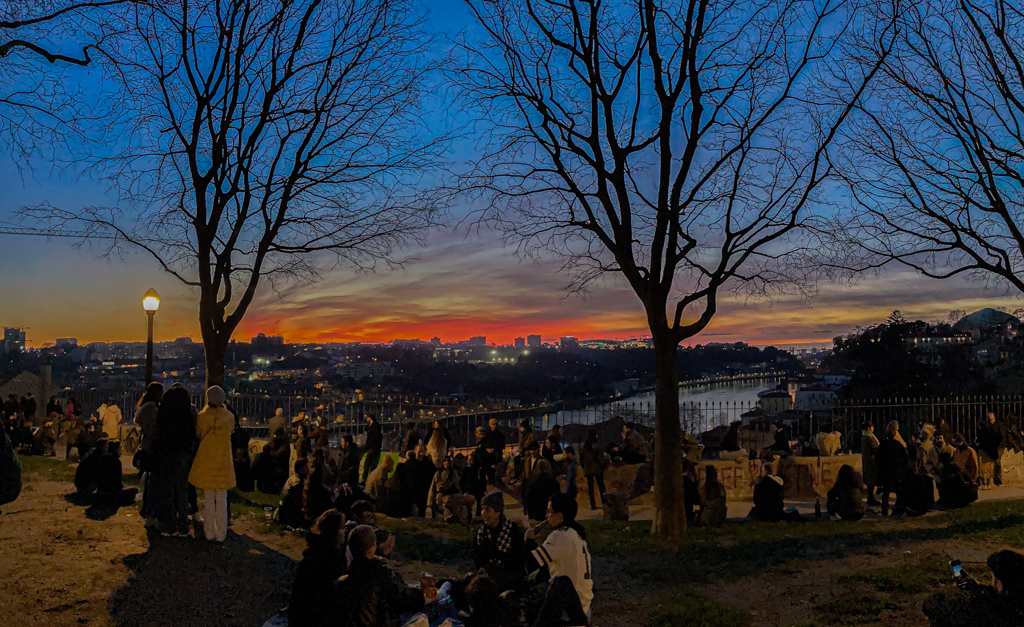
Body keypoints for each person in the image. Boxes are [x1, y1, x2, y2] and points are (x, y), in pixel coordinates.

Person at [336, 524, 426, 627]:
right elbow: (402, 600)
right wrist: (421, 594)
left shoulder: (341, 582)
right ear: (372, 548)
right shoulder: (381, 572)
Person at [524, 493, 593, 626]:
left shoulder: (560, 536)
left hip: (568, 608)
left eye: (549, 511)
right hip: (583, 606)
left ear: (560, 515)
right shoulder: (575, 534)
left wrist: (529, 541)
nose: (546, 515)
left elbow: (530, 564)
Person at [923, 550, 1024, 626]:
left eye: (992, 578)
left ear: (1000, 585)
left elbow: (933, 604)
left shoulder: (988, 608)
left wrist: (972, 593)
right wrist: (977, 588)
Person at [188, 386, 236, 542]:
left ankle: (209, 532)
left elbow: (199, 433)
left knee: (208, 497)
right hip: (223, 459)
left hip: (206, 458)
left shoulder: (202, 416)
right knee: (222, 497)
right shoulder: (229, 416)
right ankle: (221, 533)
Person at [150, 386, 198, 536]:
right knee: (182, 488)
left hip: (165, 451)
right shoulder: (188, 413)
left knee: (166, 487)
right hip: (183, 451)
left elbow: (158, 431)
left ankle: (167, 524)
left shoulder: (164, 413)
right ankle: (183, 523)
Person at [288, 509, 347, 627]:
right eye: (342, 527)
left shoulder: (319, 551)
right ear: (334, 531)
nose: (345, 531)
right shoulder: (327, 560)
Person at [473, 491, 526, 591]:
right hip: (487, 573)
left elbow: (518, 559)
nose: (484, 513)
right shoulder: (481, 532)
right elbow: (478, 557)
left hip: (509, 575)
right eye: (482, 509)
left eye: (488, 510)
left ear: (498, 511)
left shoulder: (511, 531)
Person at [134, 382, 163, 520]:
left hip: (147, 445)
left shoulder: (145, 407)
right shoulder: (151, 409)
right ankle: (148, 507)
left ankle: (147, 506)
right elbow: (152, 429)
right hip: (151, 447)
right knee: (152, 479)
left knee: (149, 478)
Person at [876, 421, 908, 517]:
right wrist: (902, 469)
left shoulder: (882, 445)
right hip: (896, 471)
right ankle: (901, 508)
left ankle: (884, 509)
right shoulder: (898, 445)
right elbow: (905, 459)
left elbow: (878, 458)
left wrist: (881, 469)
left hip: (886, 471)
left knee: (886, 492)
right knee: (899, 491)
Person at [279, 458, 311, 529]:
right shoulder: (297, 484)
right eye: (306, 467)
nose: (308, 469)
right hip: (288, 514)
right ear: (300, 470)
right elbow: (297, 503)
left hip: (284, 510)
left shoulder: (294, 478)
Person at [580, 430, 607, 509]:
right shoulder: (596, 446)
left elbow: (581, 459)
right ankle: (604, 502)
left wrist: (584, 467)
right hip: (596, 468)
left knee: (590, 487)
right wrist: (603, 464)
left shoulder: (584, 446)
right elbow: (600, 458)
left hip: (587, 469)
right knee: (601, 486)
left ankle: (593, 504)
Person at [977, 411, 1003, 487]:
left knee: (997, 461)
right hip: (990, 445)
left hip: (998, 445)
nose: (989, 416)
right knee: (989, 463)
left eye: (991, 414)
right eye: (989, 414)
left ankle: (998, 479)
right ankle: (989, 480)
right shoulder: (987, 425)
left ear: (994, 416)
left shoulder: (998, 424)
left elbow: (1001, 435)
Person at [861, 423, 881, 507]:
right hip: (871, 461)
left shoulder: (865, 436)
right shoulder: (868, 438)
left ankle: (871, 497)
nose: (873, 428)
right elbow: (875, 448)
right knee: (871, 480)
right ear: (869, 428)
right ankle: (870, 498)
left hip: (868, 461)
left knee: (870, 480)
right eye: (872, 426)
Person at [360, 414, 383, 484]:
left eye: (367, 418)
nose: (366, 419)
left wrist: (369, 445)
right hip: (374, 448)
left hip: (373, 448)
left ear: (370, 418)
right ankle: (371, 480)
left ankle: (366, 479)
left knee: (368, 464)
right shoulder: (376, 426)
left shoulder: (374, 427)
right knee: (371, 465)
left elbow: (374, 438)